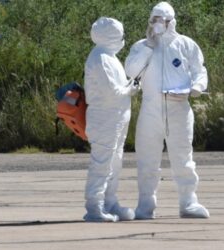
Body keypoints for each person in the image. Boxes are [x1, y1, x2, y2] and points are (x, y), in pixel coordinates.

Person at [125, 1, 209, 219]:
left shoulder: (186, 44)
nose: (159, 24)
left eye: (163, 20)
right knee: (147, 158)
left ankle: (188, 202)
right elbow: (132, 72)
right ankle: (146, 205)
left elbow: (200, 70)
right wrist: (149, 48)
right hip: (151, 108)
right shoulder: (142, 46)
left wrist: (197, 87)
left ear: (173, 21)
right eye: (155, 20)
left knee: (183, 157)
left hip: (179, 107)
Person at [83, 17, 139, 222]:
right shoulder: (100, 58)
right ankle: (94, 207)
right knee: (102, 163)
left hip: (117, 116)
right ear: (110, 36)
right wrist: (129, 90)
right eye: (119, 35)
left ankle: (110, 202)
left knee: (115, 162)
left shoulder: (110, 56)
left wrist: (128, 87)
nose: (122, 39)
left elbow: (118, 87)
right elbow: (111, 91)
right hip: (105, 117)